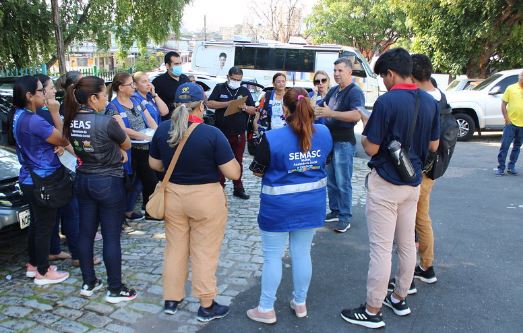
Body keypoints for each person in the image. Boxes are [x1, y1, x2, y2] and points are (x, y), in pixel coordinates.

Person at [340, 48, 440, 329]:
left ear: (391, 74)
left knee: (382, 249)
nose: (383, 81)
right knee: (407, 242)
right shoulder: (430, 102)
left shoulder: (387, 101)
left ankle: (372, 310)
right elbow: (434, 145)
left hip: (386, 183)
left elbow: (370, 147)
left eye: (384, 75)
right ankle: (398, 298)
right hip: (413, 182)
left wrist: (368, 125)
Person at [148, 82, 240, 321]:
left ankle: (171, 298)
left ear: (176, 104)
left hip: (174, 197)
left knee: (175, 249)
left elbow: (154, 165)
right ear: (202, 105)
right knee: (204, 252)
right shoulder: (212, 133)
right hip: (205, 198)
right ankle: (206, 304)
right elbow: (233, 173)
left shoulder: (163, 129)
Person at [246, 88, 333, 324]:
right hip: (311, 204)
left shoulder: (273, 138)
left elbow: (257, 170)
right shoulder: (324, 132)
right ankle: (300, 302)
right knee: (302, 253)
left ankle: (266, 308)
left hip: (278, 207)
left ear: (284, 109)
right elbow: (326, 160)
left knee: (273, 257)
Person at [62, 75, 137, 303]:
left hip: (83, 179)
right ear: (93, 98)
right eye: (104, 95)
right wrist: (118, 152)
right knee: (111, 236)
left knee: (85, 232)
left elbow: (69, 144)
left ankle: (89, 281)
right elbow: (127, 143)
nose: (106, 100)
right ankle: (115, 288)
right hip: (108, 181)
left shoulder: (70, 120)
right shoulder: (105, 121)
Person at [10, 75, 70, 285]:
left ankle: (34, 264)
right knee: (45, 226)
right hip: (43, 179)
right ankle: (43, 272)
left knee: (36, 224)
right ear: (29, 96)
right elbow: (62, 139)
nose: (45, 94)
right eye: (40, 91)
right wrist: (55, 113)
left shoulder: (18, 115)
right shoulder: (34, 120)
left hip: (29, 178)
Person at [315, 58, 365, 233]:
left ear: (350, 72)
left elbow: (357, 116)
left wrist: (331, 113)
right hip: (329, 141)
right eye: (334, 70)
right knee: (332, 181)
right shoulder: (334, 90)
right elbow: (320, 108)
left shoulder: (355, 92)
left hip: (344, 142)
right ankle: (335, 210)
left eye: (340, 70)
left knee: (343, 181)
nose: (336, 73)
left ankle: (345, 217)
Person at [410, 54, 447, 284]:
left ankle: (425, 267)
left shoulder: (424, 101)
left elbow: (431, 143)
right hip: (431, 168)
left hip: (420, 169)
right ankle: (422, 265)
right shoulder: (440, 95)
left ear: (413, 77)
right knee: (418, 218)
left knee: (419, 219)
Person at [106, 72, 158, 222]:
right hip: (129, 149)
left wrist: (156, 133)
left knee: (149, 181)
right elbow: (122, 130)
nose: (134, 87)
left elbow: (149, 119)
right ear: (121, 88)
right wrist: (144, 136)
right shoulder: (113, 107)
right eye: (130, 84)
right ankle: (128, 211)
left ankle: (150, 210)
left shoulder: (136, 100)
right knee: (132, 181)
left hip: (145, 147)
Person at [208, 66, 257, 200]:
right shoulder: (219, 88)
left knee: (238, 161)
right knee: (220, 160)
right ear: (228, 77)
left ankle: (238, 187)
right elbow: (210, 103)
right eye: (234, 79)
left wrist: (245, 107)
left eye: (239, 80)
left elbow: (254, 110)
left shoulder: (244, 90)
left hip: (239, 133)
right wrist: (228, 104)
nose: (236, 81)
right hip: (221, 132)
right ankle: (220, 187)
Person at [496, 70, 523, 176]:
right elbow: (503, 104)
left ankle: (511, 167)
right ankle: (501, 168)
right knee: (505, 146)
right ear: (519, 76)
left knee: (517, 147)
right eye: (522, 75)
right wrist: (507, 119)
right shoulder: (511, 88)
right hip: (511, 124)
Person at [152, 51, 190, 119]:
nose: (179, 66)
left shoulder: (185, 78)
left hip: (186, 118)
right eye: (176, 64)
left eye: (180, 63)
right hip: (169, 121)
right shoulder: (158, 82)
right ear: (167, 66)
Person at [254, 72, 287, 138]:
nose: (281, 84)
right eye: (278, 82)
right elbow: (259, 111)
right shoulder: (267, 95)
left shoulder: (289, 96)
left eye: (283, 81)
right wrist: (255, 125)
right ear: (273, 83)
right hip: (269, 131)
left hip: (285, 131)